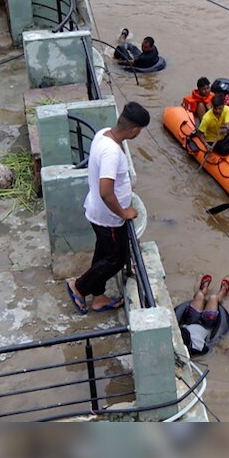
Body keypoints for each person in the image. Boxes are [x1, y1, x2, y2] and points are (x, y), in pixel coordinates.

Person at [67, 101, 151, 314]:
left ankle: (99, 298)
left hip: (97, 210)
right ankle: (79, 286)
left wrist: (124, 185)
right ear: (134, 129)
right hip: (109, 218)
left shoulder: (104, 133)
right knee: (117, 259)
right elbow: (106, 191)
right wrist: (124, 212)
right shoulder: (112, 153)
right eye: (139, 131)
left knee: (103, 253)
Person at [180, 275, 229, 355]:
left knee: (199, 296)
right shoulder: (198, 347)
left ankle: (203, 290)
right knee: (213, 298)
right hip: (206, 325)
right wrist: (226, 350)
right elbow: (211, 349)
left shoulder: (177, 334)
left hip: (191, 322)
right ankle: (220, 295)